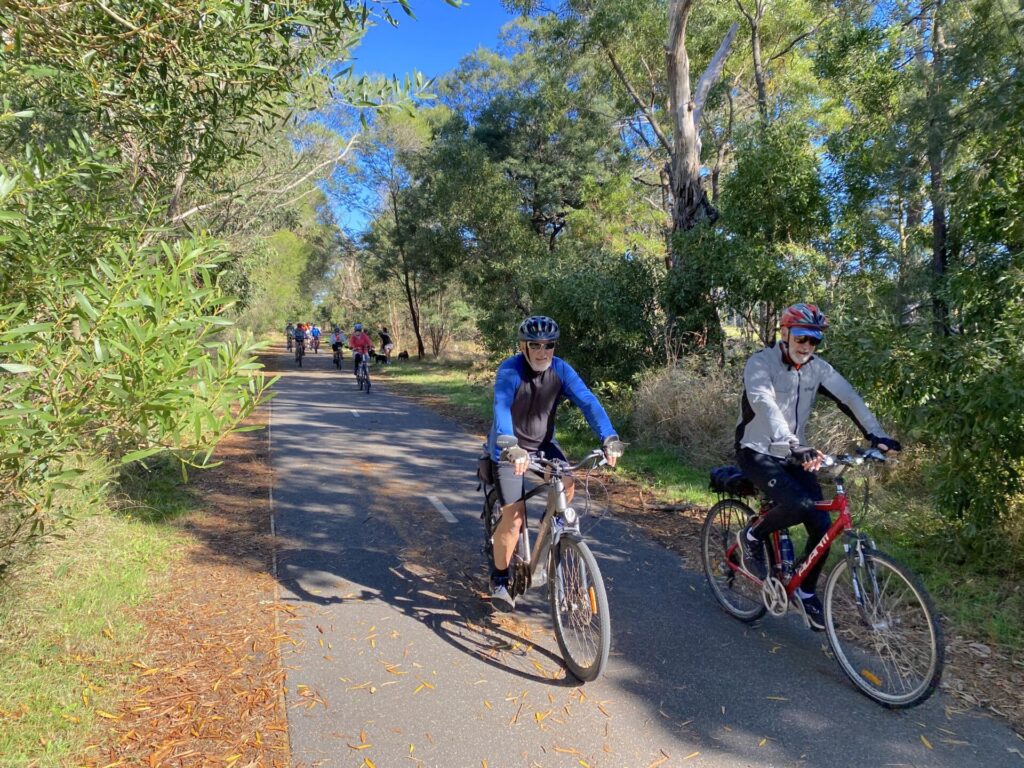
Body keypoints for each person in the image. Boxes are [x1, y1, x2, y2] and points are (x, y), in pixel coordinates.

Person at [734, 302, 901, 630]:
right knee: (798, 505)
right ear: (785, 334)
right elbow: (764, 403)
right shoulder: (760, 363)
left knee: (822, 524)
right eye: (801, 338)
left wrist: (876, 434)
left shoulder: (818, 369)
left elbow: (849, 398)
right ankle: (752, 536)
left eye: (814, 340)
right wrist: (792, 442)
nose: (807, 346)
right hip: (756, 450)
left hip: (794, 453)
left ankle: (806, 592)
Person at [485, 315, 625, 612]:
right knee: (514, 518)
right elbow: (501, 407)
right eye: (535, 345)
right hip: (509, 448)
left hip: (542, 445)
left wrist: (609, 436)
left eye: (548, 345)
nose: (542, 352)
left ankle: (550, 527)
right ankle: (499, 580)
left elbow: (588, 402)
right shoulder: (510, 370)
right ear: (523, 346)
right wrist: (511, 446)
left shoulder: (560, 369)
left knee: (567, 481)